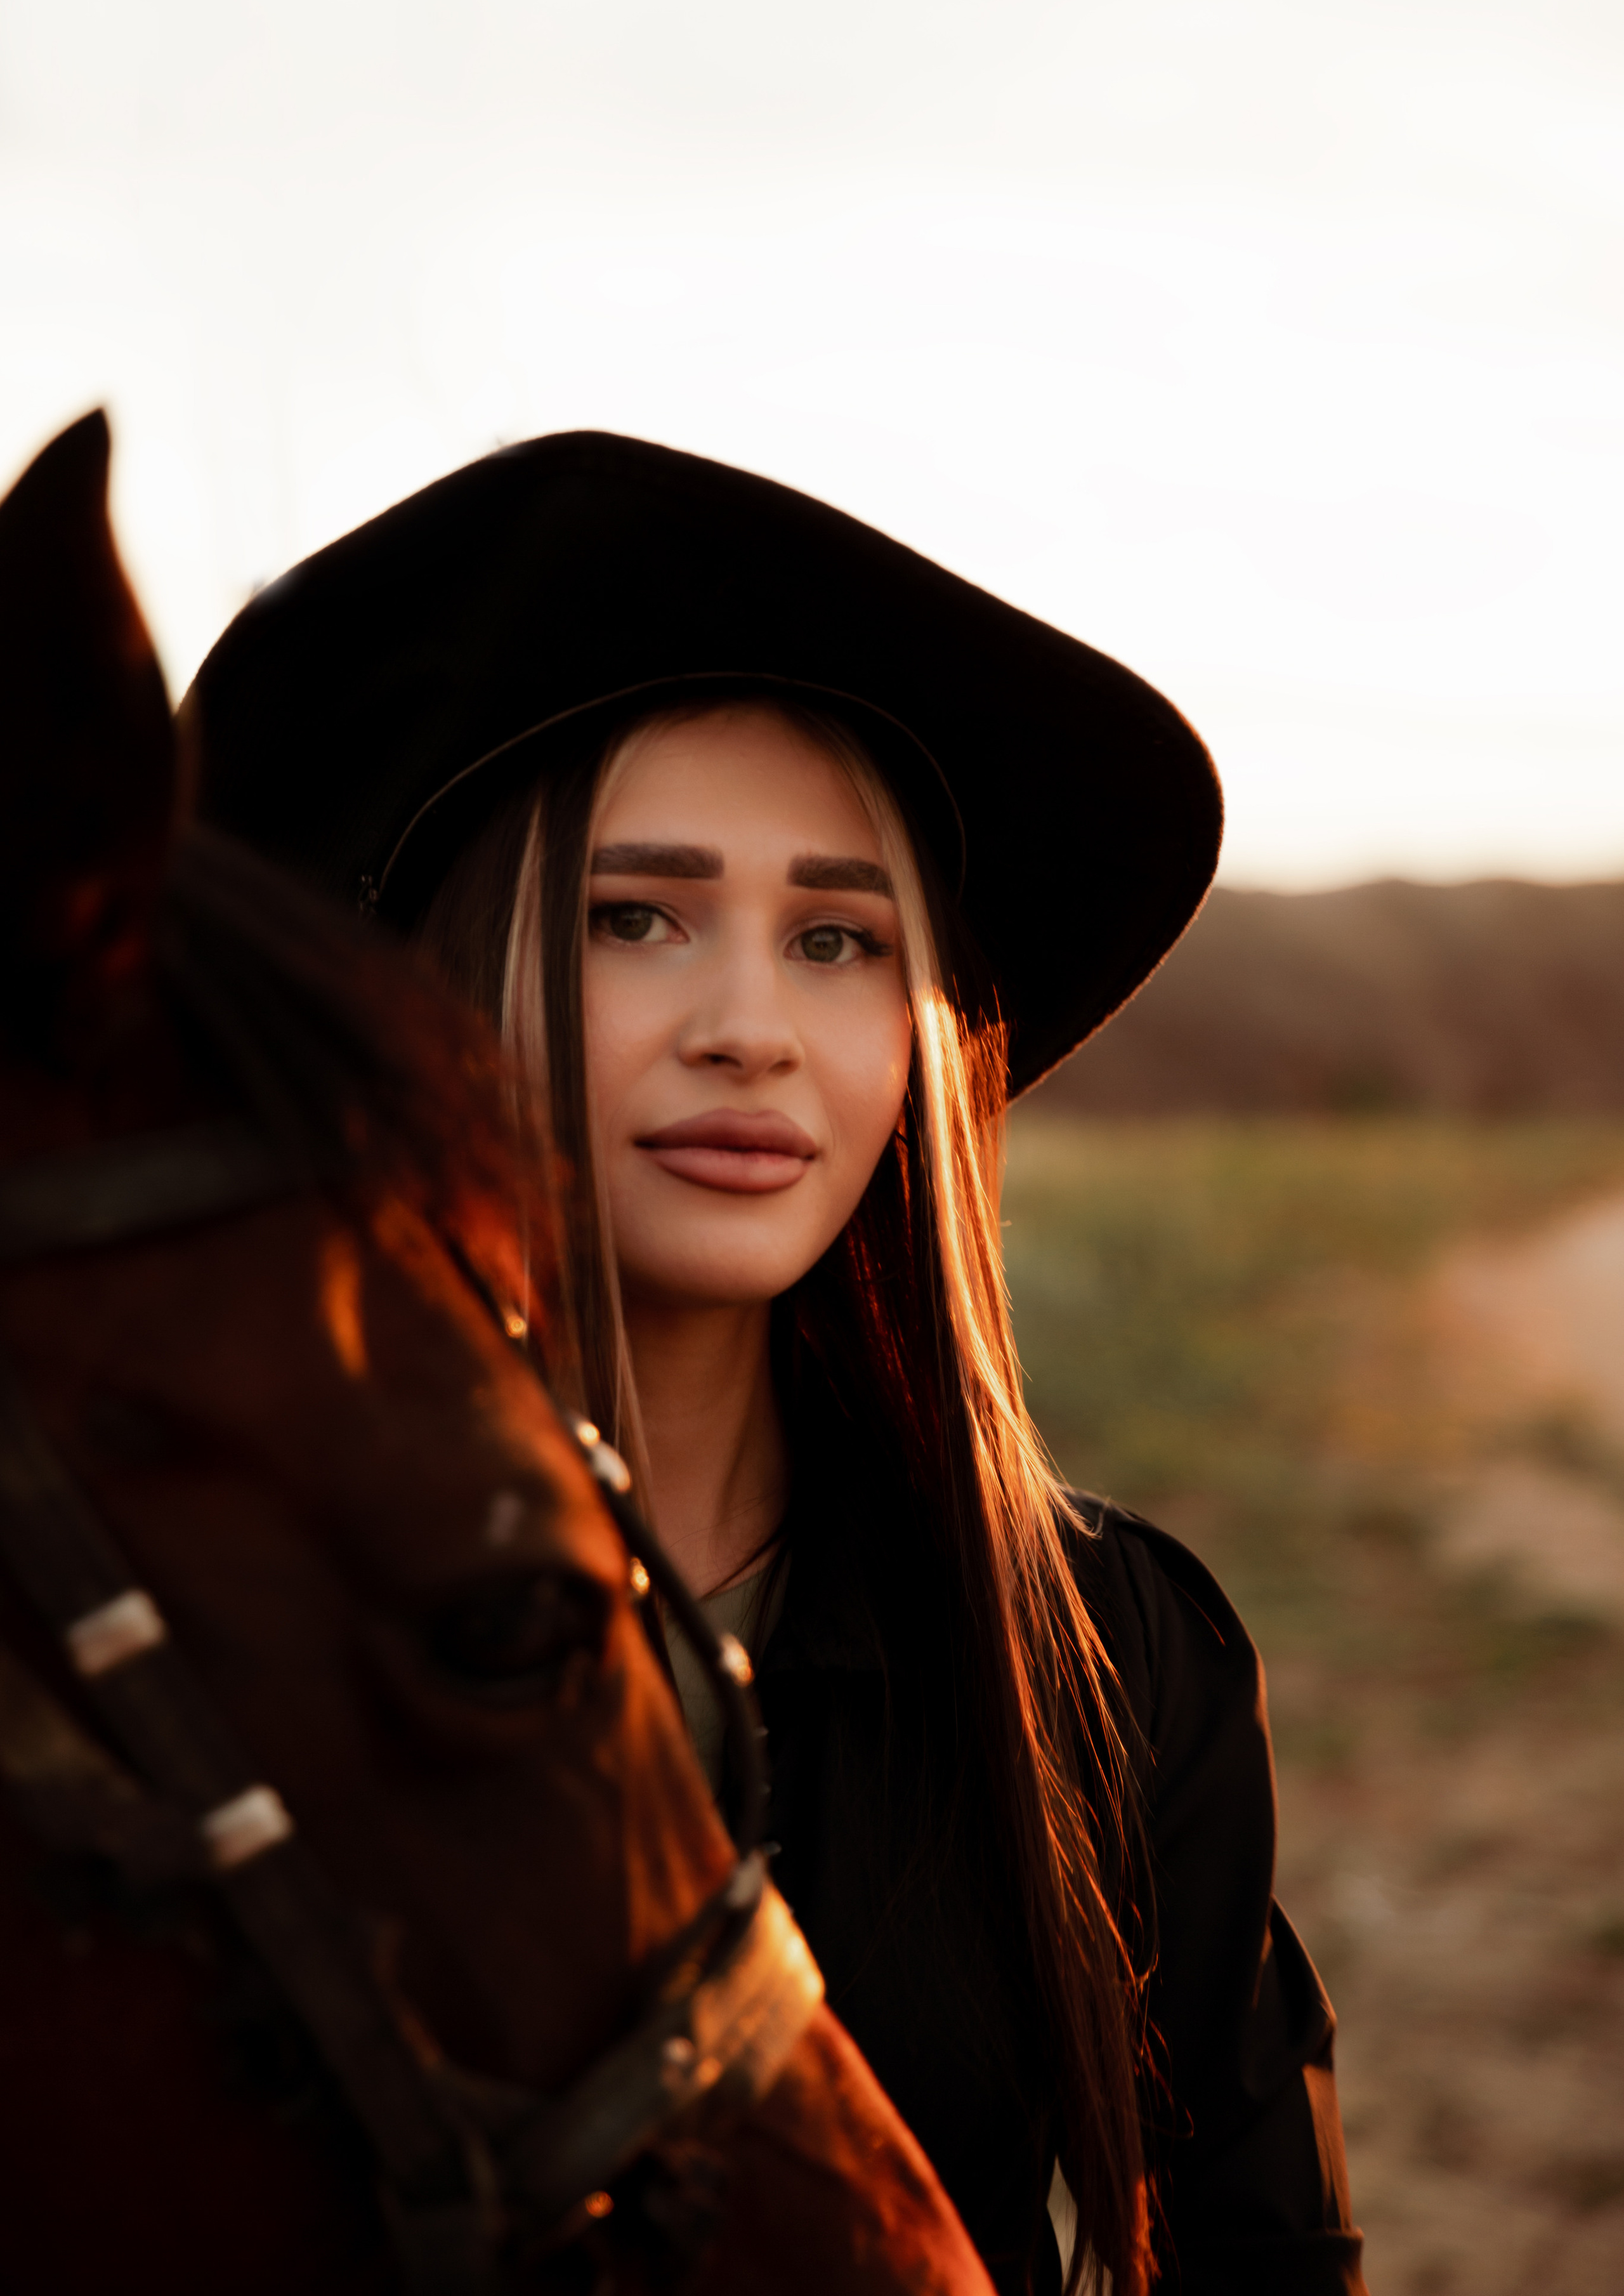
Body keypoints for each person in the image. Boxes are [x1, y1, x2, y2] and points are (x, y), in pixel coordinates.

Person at [185, 433, 1367, 2296]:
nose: (752, 1029)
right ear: (419, 992)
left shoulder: (1102, 1650)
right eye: (634, 918)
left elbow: (1262, 2253)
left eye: (837, 939)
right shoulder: (196, 1646)